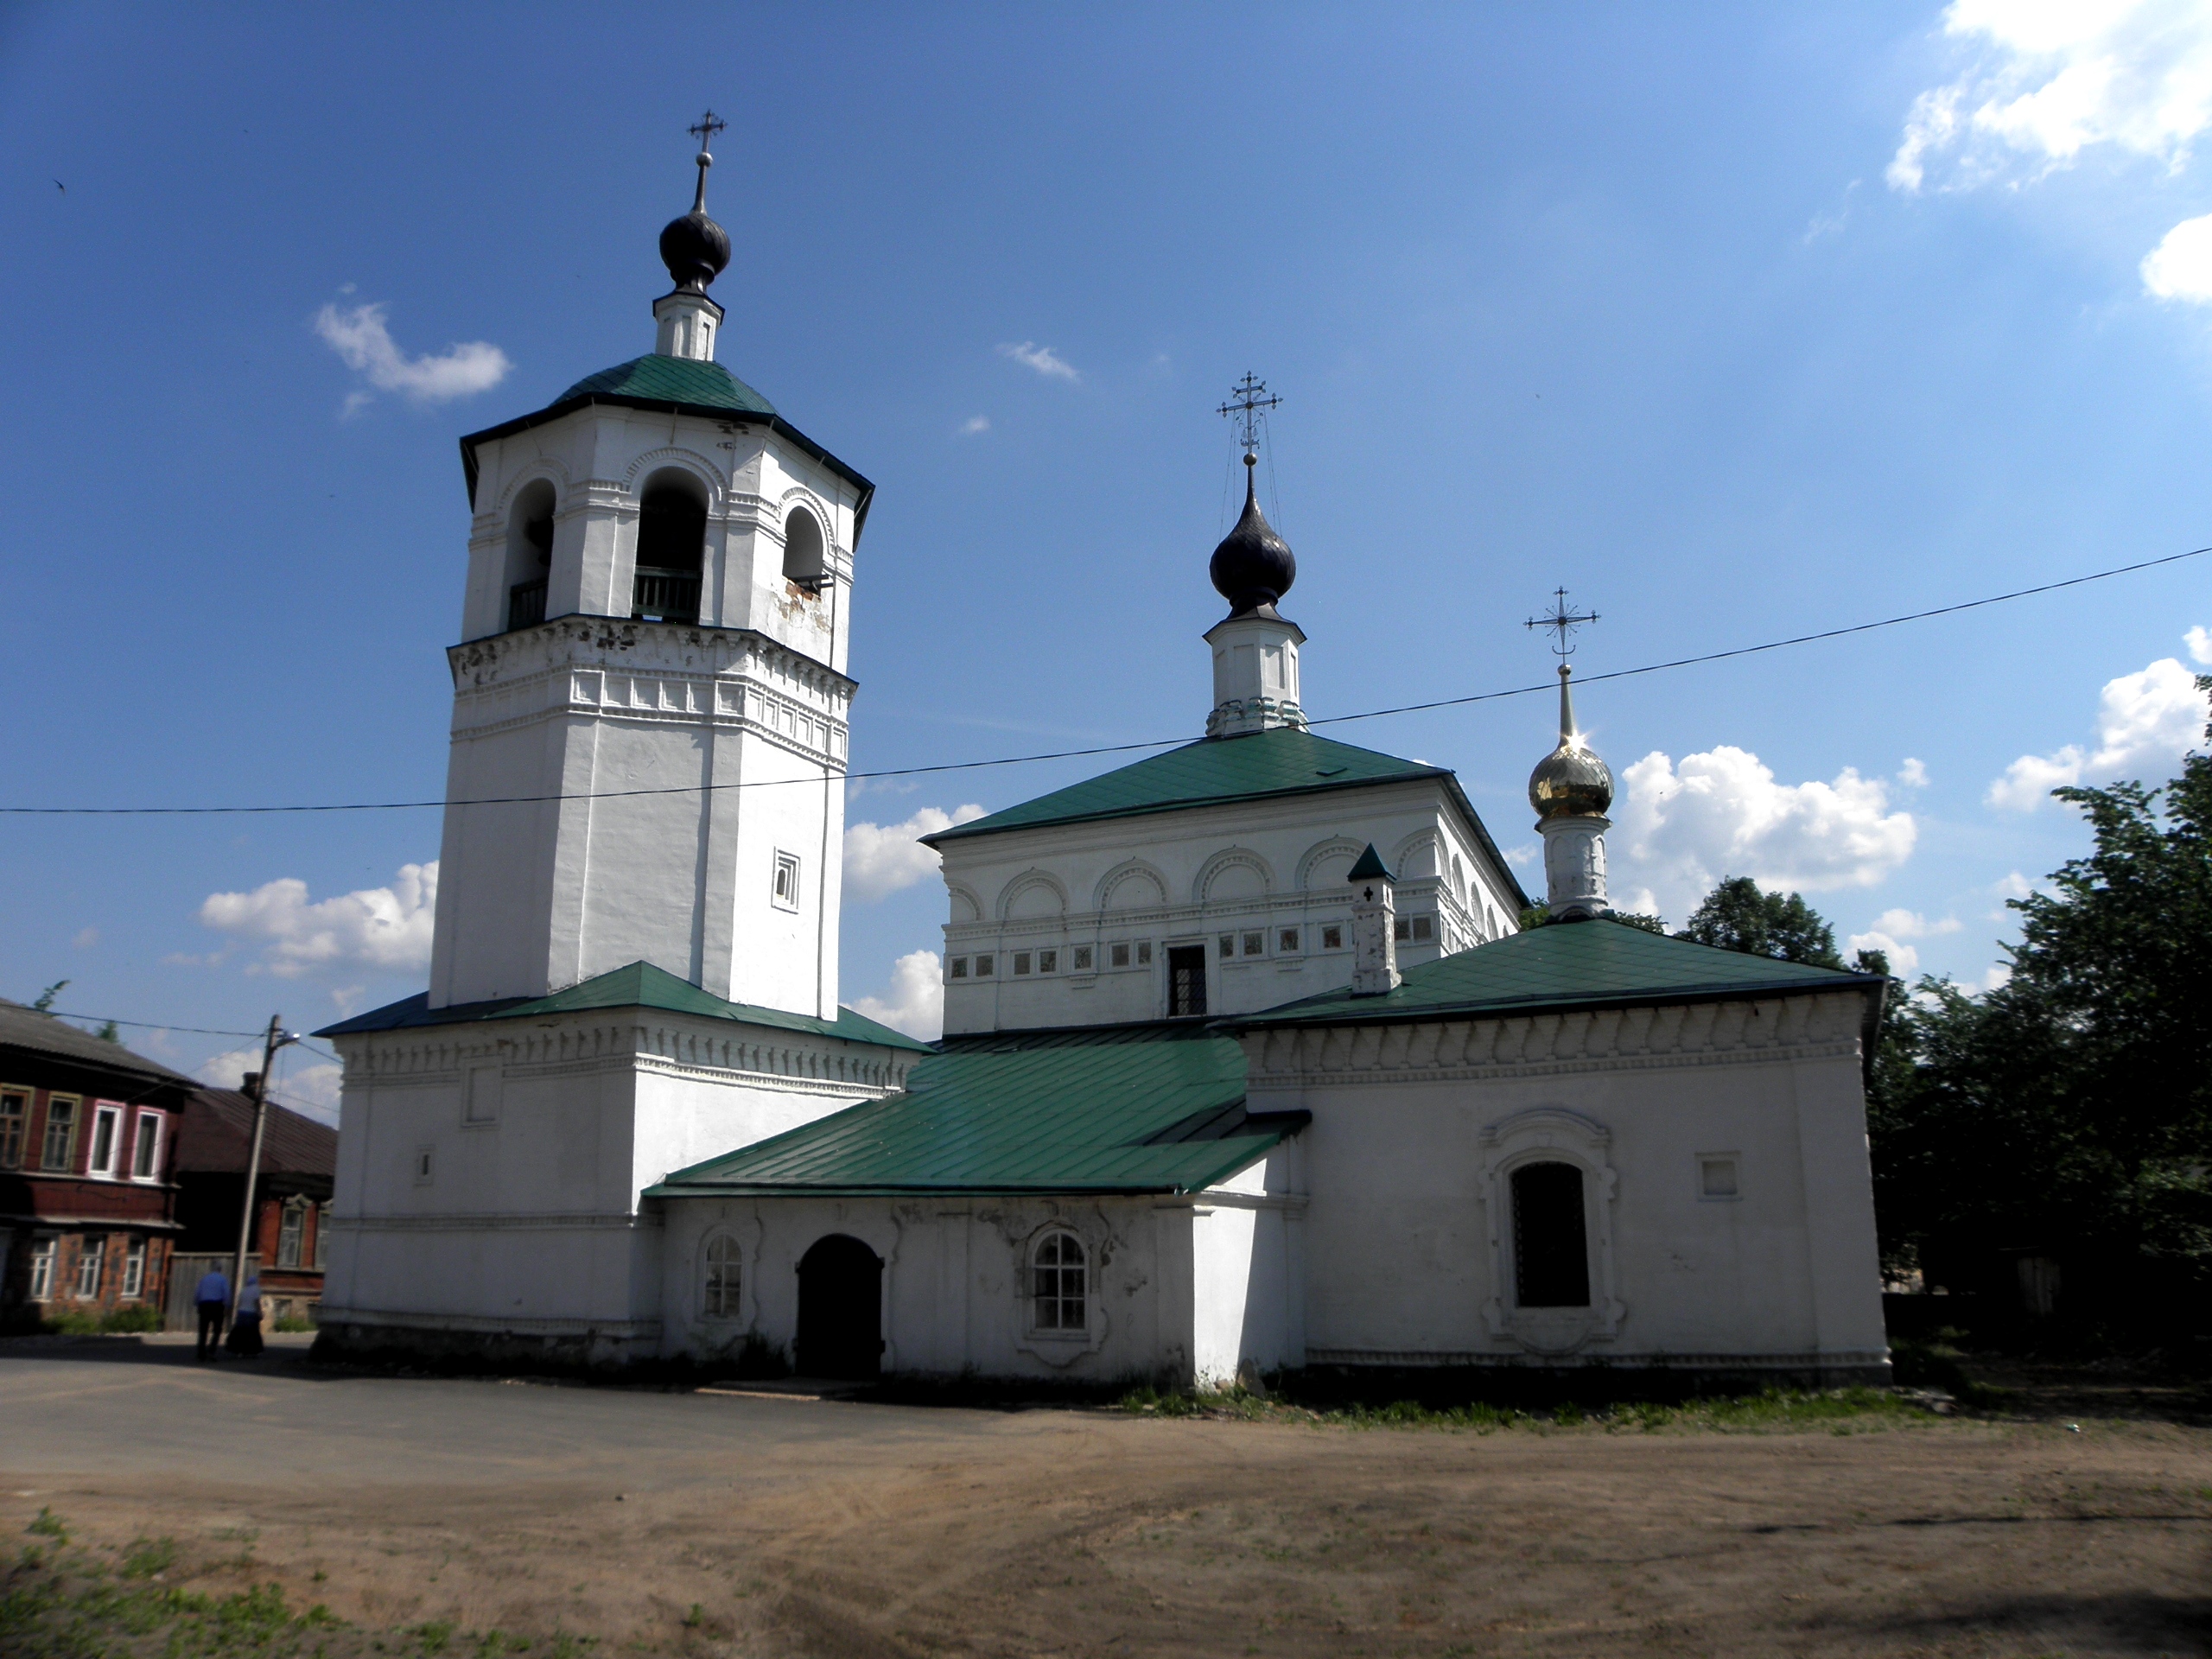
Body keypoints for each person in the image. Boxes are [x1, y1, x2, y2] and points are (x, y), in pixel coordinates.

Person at [194, 1265, 230, 1362]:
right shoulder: (222, 1279)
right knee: (217, 1330)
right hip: (217, 1306)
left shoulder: (204, 1279)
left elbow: (198, 1292)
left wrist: (197, 1304)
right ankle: (211, 1351)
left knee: (203, 1330)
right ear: (220, 1270)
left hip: (204, 1305)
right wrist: (227, 1306)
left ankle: (201, 1353)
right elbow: (226, 1293)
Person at [226, 1273, 264, 1358]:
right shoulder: (256, 1289)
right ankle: (255, 1350)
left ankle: (239, 1351)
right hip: (251, 1313)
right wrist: (260, 1312)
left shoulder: (244, 1290)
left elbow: (239, 1303)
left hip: (241, 1313)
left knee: (241, 1333)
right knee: (253, 1332)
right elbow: (256, 1302)